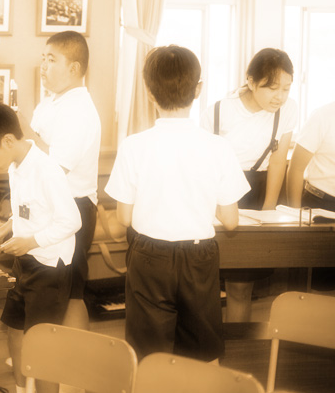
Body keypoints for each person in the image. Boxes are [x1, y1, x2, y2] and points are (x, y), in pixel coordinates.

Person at [105, 46, 249, 366]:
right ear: (199, 89)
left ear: (149, 92)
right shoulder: (218, 147)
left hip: (148, 256)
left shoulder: (133, 146)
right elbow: (231, 221)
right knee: (202, 351)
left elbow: (124, 217)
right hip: (199, 257)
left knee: (148, 354)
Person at [0, 102, 82, 393]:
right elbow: (29, 211)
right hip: (25, 263)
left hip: (49, 267)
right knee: (15, 333)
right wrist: (5, 228)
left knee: (42, 347)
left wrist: (30, 241)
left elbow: (71, 221)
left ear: (7, 141)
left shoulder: (46, 169)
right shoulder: (16, 166)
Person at [27, 30, 101, 393]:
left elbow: (55, 166)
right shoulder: (52, 101)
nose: (43, 66)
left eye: (51, 59)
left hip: (72, 206)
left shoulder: (79, 110)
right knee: (60, 292)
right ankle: (58, 372)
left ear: (74, 68)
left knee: (70, 294)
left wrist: (25, 143)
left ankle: (75, 379)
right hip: (49, 203)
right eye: (43, 58)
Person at [200, 48, 298, 323]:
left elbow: (278, 161)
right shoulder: (218, 111)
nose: (280, 96)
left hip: (257, 192)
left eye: (286, 88)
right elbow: (203, 165)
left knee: (241, 287)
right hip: (217, 195)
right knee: (205, 284)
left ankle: (239, 344)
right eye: (272, 88)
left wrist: (268, 209)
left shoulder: (288, 109)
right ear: (251, 81)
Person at [287, 100, 335, 289]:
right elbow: (295, 169)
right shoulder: (324, 115)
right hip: (320, 206)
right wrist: (294, 217)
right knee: (315, 286)